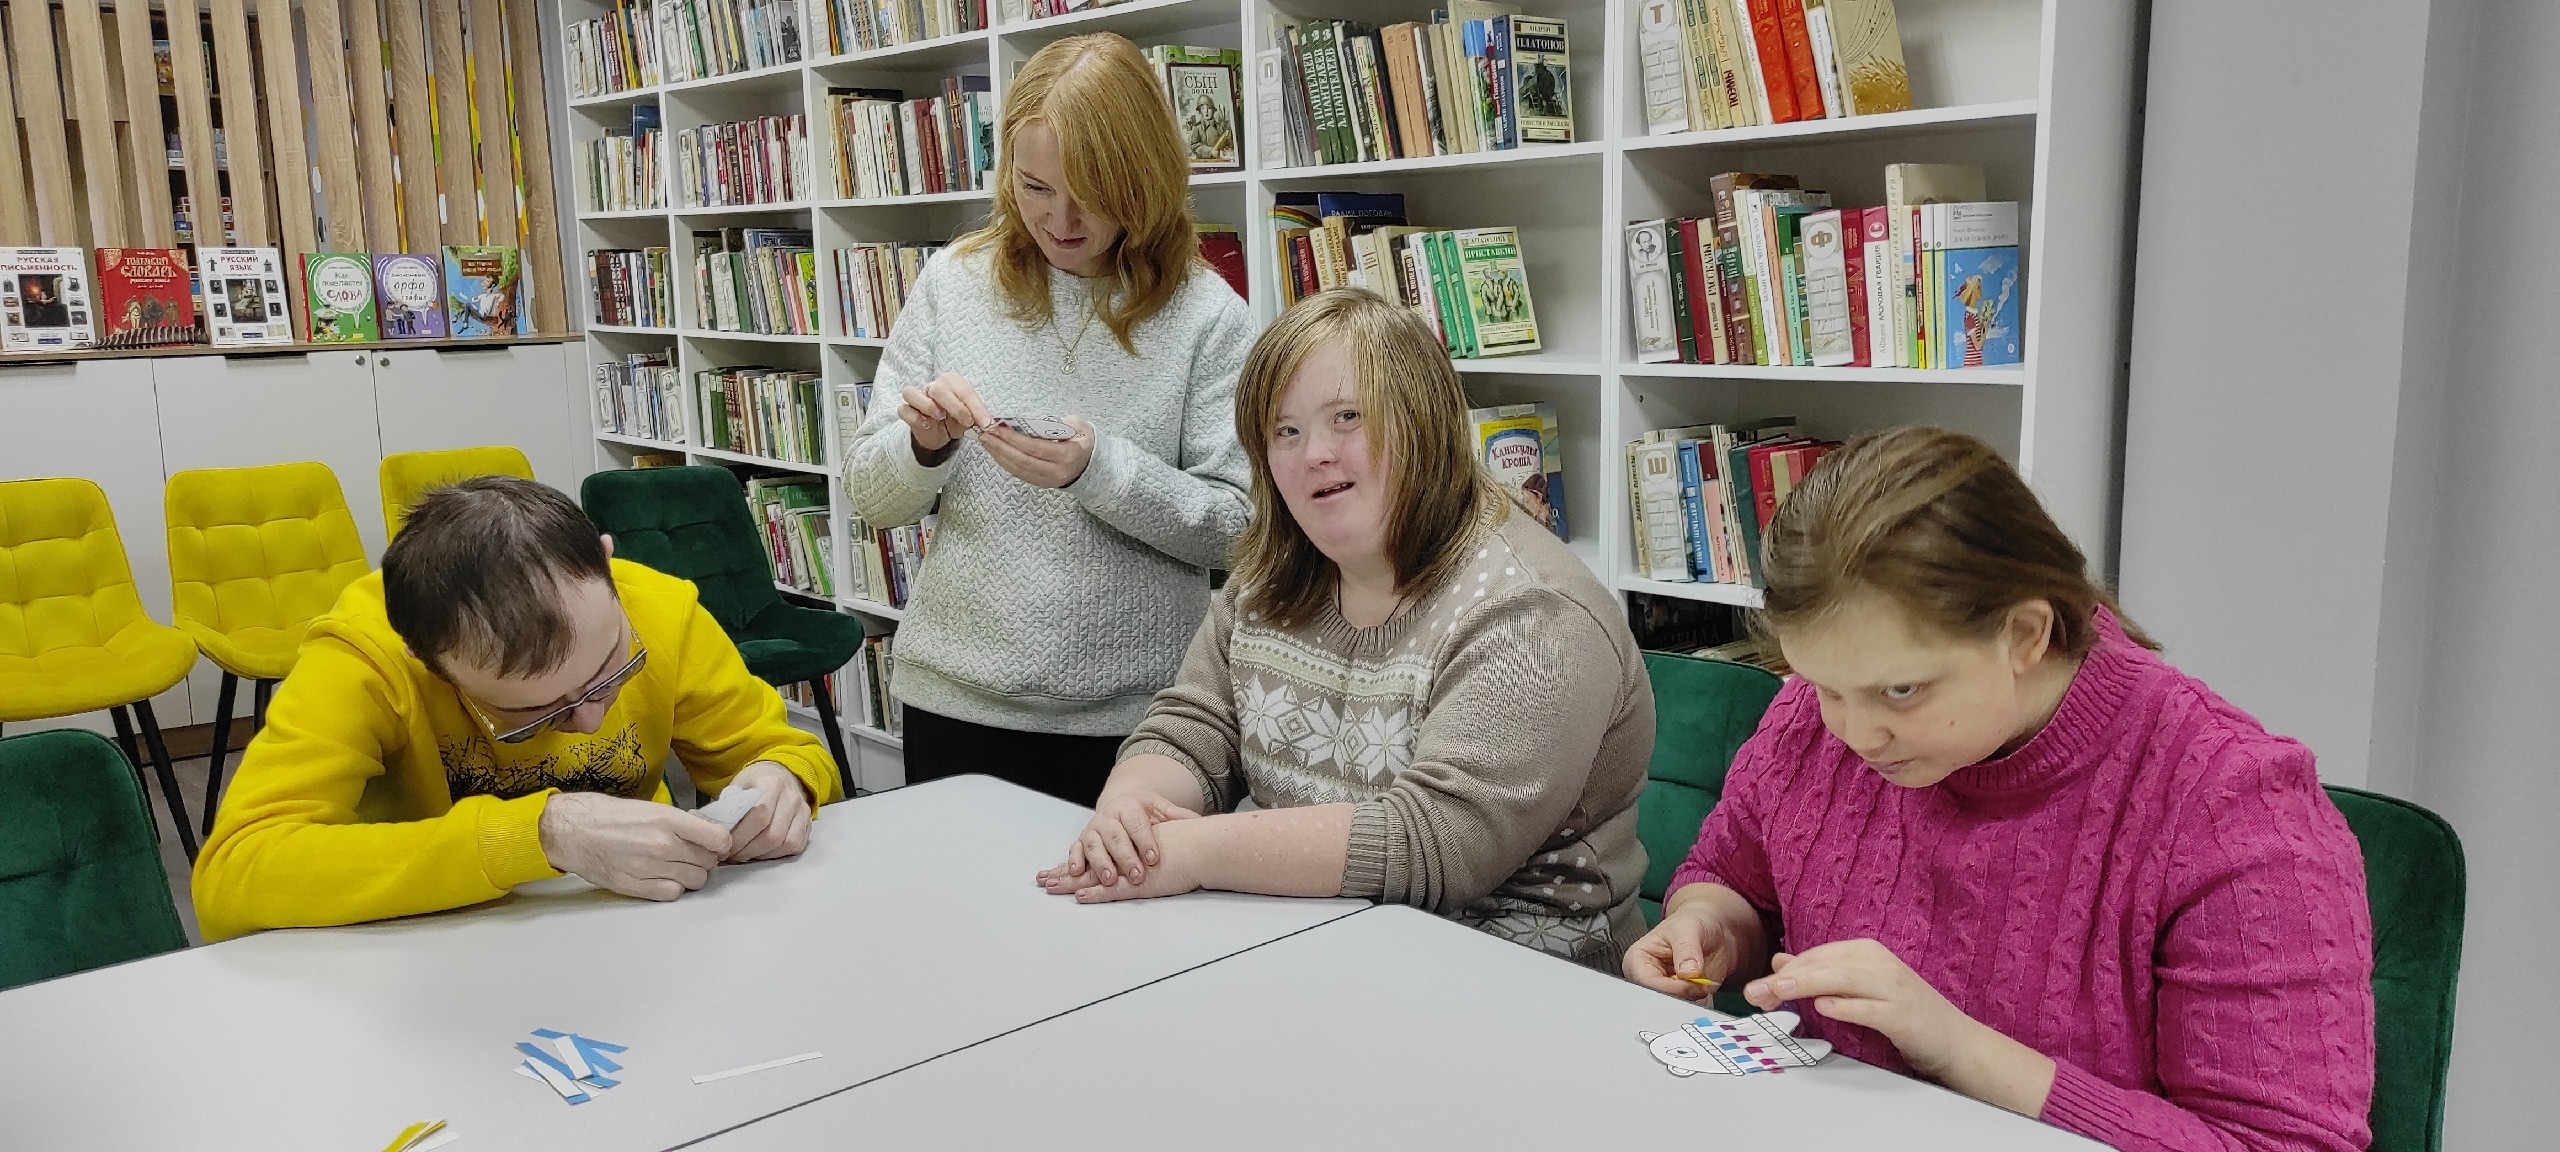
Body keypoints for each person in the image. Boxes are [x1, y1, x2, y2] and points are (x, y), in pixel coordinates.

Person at [1624, 427, 2374, 1151]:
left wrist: (1958, 1048)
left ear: (2025, 636)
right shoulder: (1815, 722)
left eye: (1901, 690)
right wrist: (1711, 926)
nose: (1854, 733)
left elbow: (2281, 1143)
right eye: (1823, 685)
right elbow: (1734, 878)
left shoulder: (2235, 808)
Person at [1033, 289, 1655, 972]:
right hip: (1312, 949)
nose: (1315, 455)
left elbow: (1437, 843)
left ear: (1421, 421)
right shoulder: (1270, 573)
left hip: (1522, 980)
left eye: (1347, 418)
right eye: (1285, 432)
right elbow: (1194, 727)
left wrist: (1194, 852)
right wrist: (1130, 813)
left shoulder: (1535, 613)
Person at [840, 32, 1254, 806]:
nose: (1060, 220)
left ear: (1145, 179)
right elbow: (869, 495)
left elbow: (1240, 528)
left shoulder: (1209, 316)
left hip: (1143, 725)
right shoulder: (953, 282)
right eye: (1034, 187)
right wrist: (921, 448)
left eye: (1093, 194)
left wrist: (1102, 472)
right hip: (956, 701)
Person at [192, 477, 839, 941]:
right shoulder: (366, 653)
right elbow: (233, 876)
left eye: (611, 672)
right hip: (434, 945)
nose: (589, 721)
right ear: (429, 661)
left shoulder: (662, 609)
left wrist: (786, 781)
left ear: (605, 563)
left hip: (638, 925)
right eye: (536, 714)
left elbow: (783, 750)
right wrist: (542, 833)